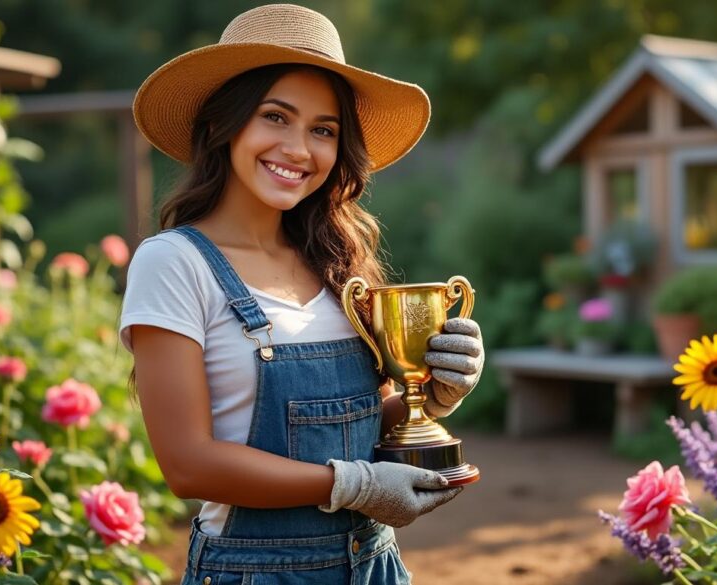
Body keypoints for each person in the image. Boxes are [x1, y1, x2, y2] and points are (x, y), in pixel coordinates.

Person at [119, 4, 485, 583]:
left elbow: (357, 427)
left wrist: (432, 400)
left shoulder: (338, 263)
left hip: (374, 566)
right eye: (275, 116)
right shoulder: (174, 263)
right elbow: (188, 465)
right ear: (221, 124)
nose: (298, 148)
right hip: (254, 573)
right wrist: (355, 485)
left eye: (323, 130)